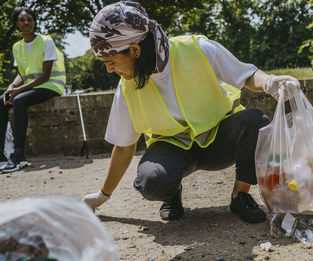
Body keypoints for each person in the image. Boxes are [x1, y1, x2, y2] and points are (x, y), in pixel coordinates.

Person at [83, 1, 300, 223]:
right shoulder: (126, 87)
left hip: (219, 139)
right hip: (173, 150)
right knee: (151, 182)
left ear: (135, 50)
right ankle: (172, 192)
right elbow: (124, 146)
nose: (109, 69)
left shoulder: (197, 49)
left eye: (110, 62)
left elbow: (245, 75)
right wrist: (102, 196)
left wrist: (270, 82)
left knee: (256, 122)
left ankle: (240, 194)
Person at [0, 7, 66, 173]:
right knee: (2, 100)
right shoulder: (17, 46)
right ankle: (2, 157)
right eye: (22, 20)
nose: (26, 23)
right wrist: (11, 87)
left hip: (51, 85)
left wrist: (18, 91)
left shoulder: (46, 41)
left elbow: (45, 75)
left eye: (29, 19)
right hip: (30, 87)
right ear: (16, 24)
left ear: (35, 22)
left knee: (19, 100)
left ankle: (19, 156)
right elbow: (20, 75)